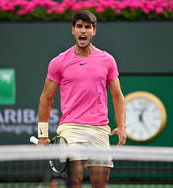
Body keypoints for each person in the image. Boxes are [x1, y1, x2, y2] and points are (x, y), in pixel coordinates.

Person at [37, 10, 126, 188]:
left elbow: (118, 96)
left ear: (94, 31)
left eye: (87, 27)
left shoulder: (107, 60)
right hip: (71, 129)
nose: (83, 31)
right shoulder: (59, 62)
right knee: (75, 179)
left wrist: (122, 126)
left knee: (100, 184)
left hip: (100, 130)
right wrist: (42, 135)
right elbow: (46, 98)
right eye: (79, 27)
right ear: (73, 30)